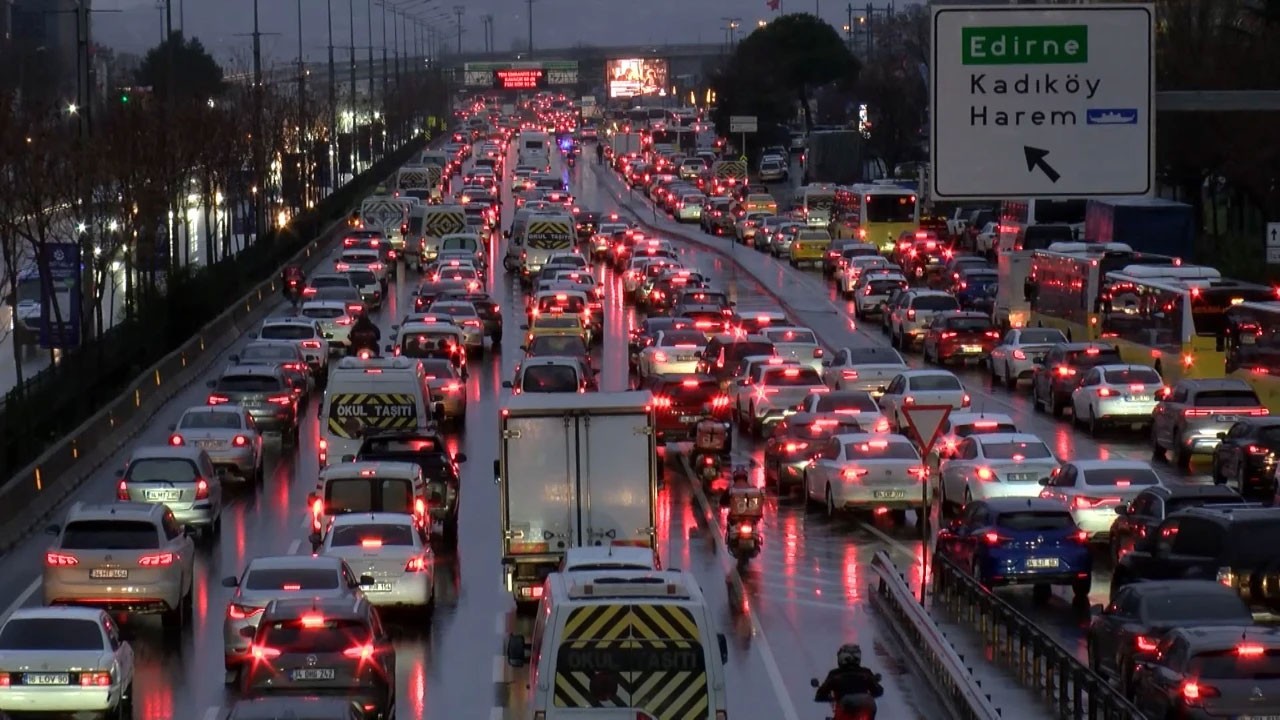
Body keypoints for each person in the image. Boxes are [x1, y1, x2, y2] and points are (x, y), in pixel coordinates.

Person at [814, 644, 883, 720]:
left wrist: (827, 697)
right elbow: (878, 691)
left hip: (846, 706)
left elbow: (820, 694)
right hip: (868, 704)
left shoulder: (835, 674)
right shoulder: (866, 673)